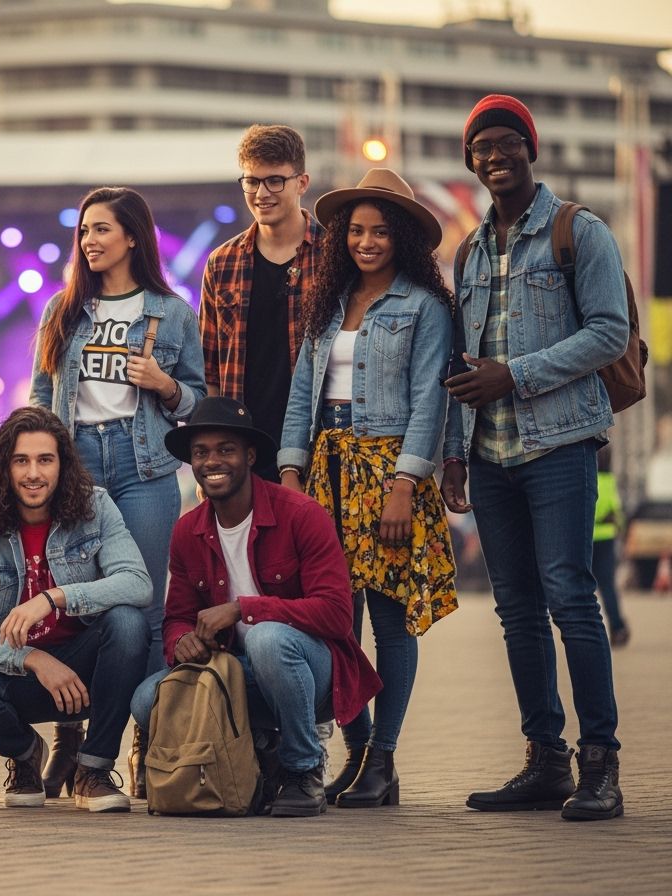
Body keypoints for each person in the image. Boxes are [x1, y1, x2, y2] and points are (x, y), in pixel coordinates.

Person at [442, 95, 628, 822]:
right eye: (482, 146)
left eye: (507, 143)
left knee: (571, 599)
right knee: (516, 610)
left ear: (531, 149)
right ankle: (544, 759)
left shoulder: (578, 231)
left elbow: (609, 332)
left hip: (558, 445)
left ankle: (601, 765)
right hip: (489, 454)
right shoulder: (468, 249)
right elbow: (463, 364)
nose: (495, 155)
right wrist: (456, 452)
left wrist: (514, 375)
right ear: (470, 160)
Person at [278, 169, 459, 808]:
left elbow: (429, 401)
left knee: (389, 621)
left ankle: (383, 759)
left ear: (402, 237)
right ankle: (356, 754)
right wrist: (291, 474)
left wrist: (405, 482)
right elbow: (303, 394)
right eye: (355, 230)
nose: (366, 241)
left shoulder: (426, 307)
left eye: (380, 231)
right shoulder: (328, 304)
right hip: (326, 470)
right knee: (334, 623)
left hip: (388, 475)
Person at [30, 186, 205, 797]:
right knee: (77, 603)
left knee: (145, 608)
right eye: (84, 232)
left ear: (133, 236)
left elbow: (200, 402)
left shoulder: (171, 310)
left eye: (102, 229)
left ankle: (146, 739)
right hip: (76, 467)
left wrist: (166, 386)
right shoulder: (64, 309)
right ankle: (69, 735)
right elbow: (38, 398)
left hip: (144, 468)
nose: (90, 241)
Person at [130, 397, 380, 817]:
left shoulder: (302, 514)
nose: (212, 461)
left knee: (267, 638)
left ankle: (304, 770)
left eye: (225, 449)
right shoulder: (187, 531)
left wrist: (242, 609)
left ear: (249, 455)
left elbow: (337, 614)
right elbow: (175, 618)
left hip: (313, 674)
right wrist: (181, 642)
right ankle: (257, 759)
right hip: (237, 673)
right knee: (147, 699)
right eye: (201, 453)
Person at [0, 406, 151, 813]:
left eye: (45, 460)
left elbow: (137, 582)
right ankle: (23, 755)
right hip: (19, 673)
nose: (33, 473)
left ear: (63, 465)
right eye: (21, 461)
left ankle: (92, 769)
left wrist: (54, 597)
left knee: (128, 623)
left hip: (87, 674)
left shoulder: (97, 507)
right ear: (4, 467)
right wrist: (34, 659)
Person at [199, 124, 323, 481]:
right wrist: (215, 449)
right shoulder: (222, 263)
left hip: (318, 441)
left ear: (302, 182)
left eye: (274, 181)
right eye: (252, 181)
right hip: (244, 445)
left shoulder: (334, 255)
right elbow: (209, 372)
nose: (261, 193)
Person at [593, 446, 630, 648]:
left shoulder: (583, 478)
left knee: (582, 589)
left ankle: (591, 631)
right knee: (608, 586)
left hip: (584, 538)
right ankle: (617, 627)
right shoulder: (609, 482)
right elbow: (617, 515)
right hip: (606, 539)